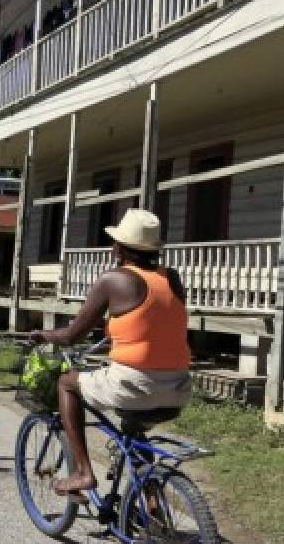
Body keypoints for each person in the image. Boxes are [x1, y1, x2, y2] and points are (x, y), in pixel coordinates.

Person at [30, 209, 192, 497]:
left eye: (114, 242)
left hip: (134, 383)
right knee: (134, 434)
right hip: (179, 388)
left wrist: (44, 335)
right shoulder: (173, 279)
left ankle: (82, 473)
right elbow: (154, 323)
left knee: (67, 383)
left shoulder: (114, 279)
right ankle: (151, 508)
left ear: (119, 248)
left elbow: (72, 335)